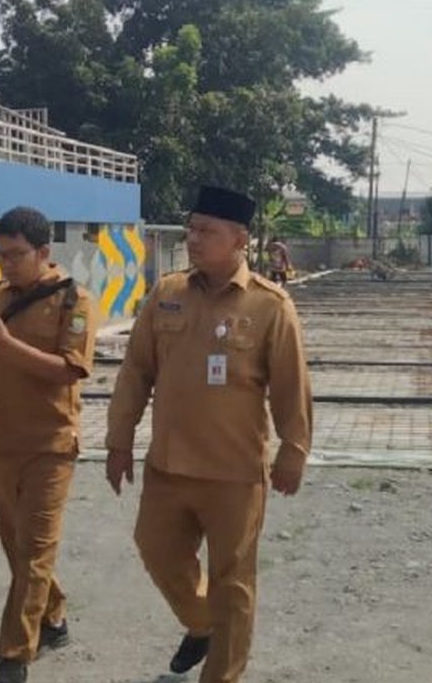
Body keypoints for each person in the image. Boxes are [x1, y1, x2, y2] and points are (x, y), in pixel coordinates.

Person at [105, 185, 313, 683]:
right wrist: (119, 439)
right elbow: (135, 372)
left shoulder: (270, 305)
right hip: (168, 466)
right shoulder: (167, 294)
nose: (193, 239)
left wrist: (294, 450)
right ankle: (203, 625)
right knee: (156, 550)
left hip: (234, 474)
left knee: (233, 584)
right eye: (191, 228)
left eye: (206, 231)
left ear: (239, 238)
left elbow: (291, 384)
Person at [0, 207, 97, 683]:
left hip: (50, 444)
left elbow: (67, 370)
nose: (6, 263)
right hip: (0, 441)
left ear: (43, 252)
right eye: (0, 253)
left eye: (16, 255)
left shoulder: (75, 299)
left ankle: (14, 657)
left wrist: (3, 341)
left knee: (34, 551)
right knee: (18, 549)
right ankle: (52, 615)